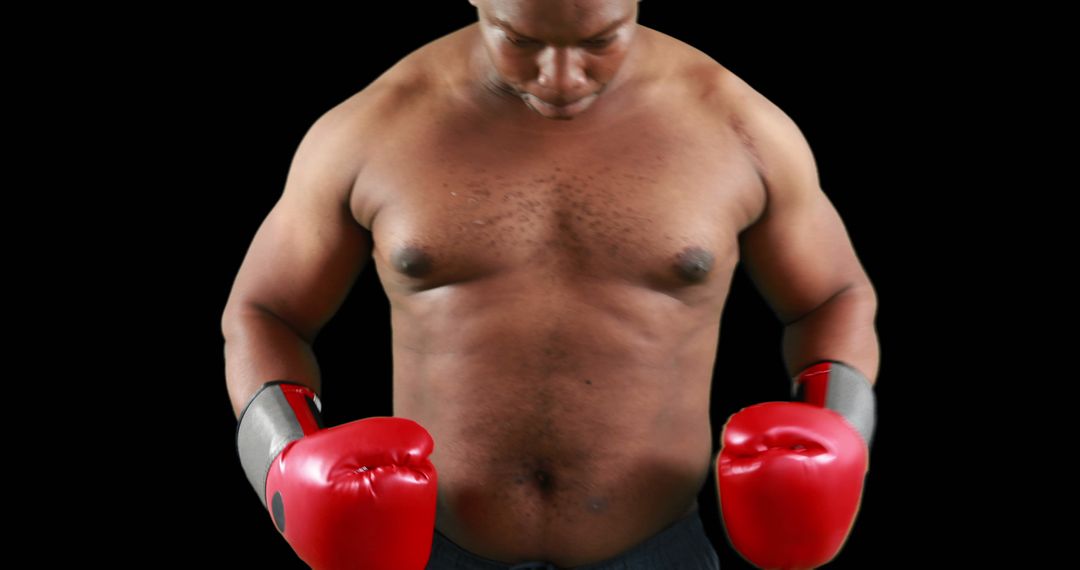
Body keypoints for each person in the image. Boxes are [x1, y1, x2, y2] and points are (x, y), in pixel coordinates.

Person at [222, 0, 879, 568]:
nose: (560, 78)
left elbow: (834, 297)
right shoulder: (373, 128)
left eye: (599, 41)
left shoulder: (739, 127)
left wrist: (840, 429)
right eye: (522, 41)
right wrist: (285, 462)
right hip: (435, 551)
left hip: (658, 552)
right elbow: (263, 311)